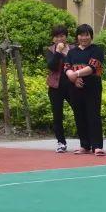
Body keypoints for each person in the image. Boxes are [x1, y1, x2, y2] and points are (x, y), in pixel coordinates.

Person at [65, 23, 106, 155]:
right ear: (77, 37)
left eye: (87, 35)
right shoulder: (71, 52)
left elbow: (92, 67)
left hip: (92, 88)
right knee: (79, 116)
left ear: (91, 36)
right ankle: (85, 145)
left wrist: (76, 74)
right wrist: (73, 78)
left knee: (93, 115)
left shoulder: (97, 50)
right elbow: (67, 67)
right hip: (75, 88)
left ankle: (97, 146)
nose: (84, 38)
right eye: (81, 35)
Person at [45, 24, 74, 153]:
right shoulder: (50, 50)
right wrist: (58, 52)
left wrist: (66, 53)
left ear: (66, 37)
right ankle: (61, 142)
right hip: (55, 87)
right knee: (57, 115)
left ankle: (86, 141)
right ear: (53, 39)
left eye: (62, 36)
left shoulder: (73, 49)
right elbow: (51, 66)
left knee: (79, 111)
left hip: (72, 85)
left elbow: (76, 63)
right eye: (56, 37)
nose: (59, 39)